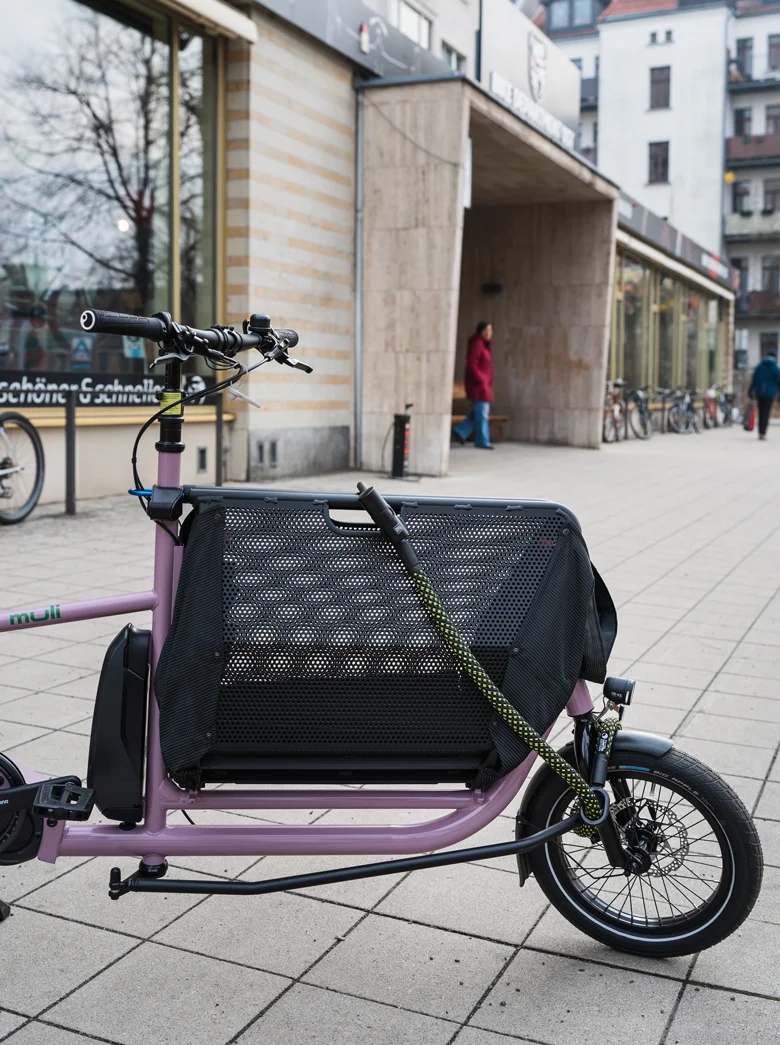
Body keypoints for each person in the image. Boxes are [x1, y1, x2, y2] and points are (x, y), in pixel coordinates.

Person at [452, 321, 494, 450]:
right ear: (481, 331)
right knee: (482, 413)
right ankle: (482, 441)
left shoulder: (483, 345)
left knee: (479, 413)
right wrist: (481, 379)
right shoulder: (477, 344)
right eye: (487, 330)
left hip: (483, 385)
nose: (490, 333)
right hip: (479, 386)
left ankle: (460, 431)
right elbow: (471, 365)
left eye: (491, 330)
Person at [748, 348, 780, 440]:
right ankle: (763, 433)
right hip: (770, 394)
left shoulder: (759, 367)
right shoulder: (775, 368)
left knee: (761, 412)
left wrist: (750, 390)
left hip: (759, 393)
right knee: (766, 413)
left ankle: (760, 432)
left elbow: (754, 380)